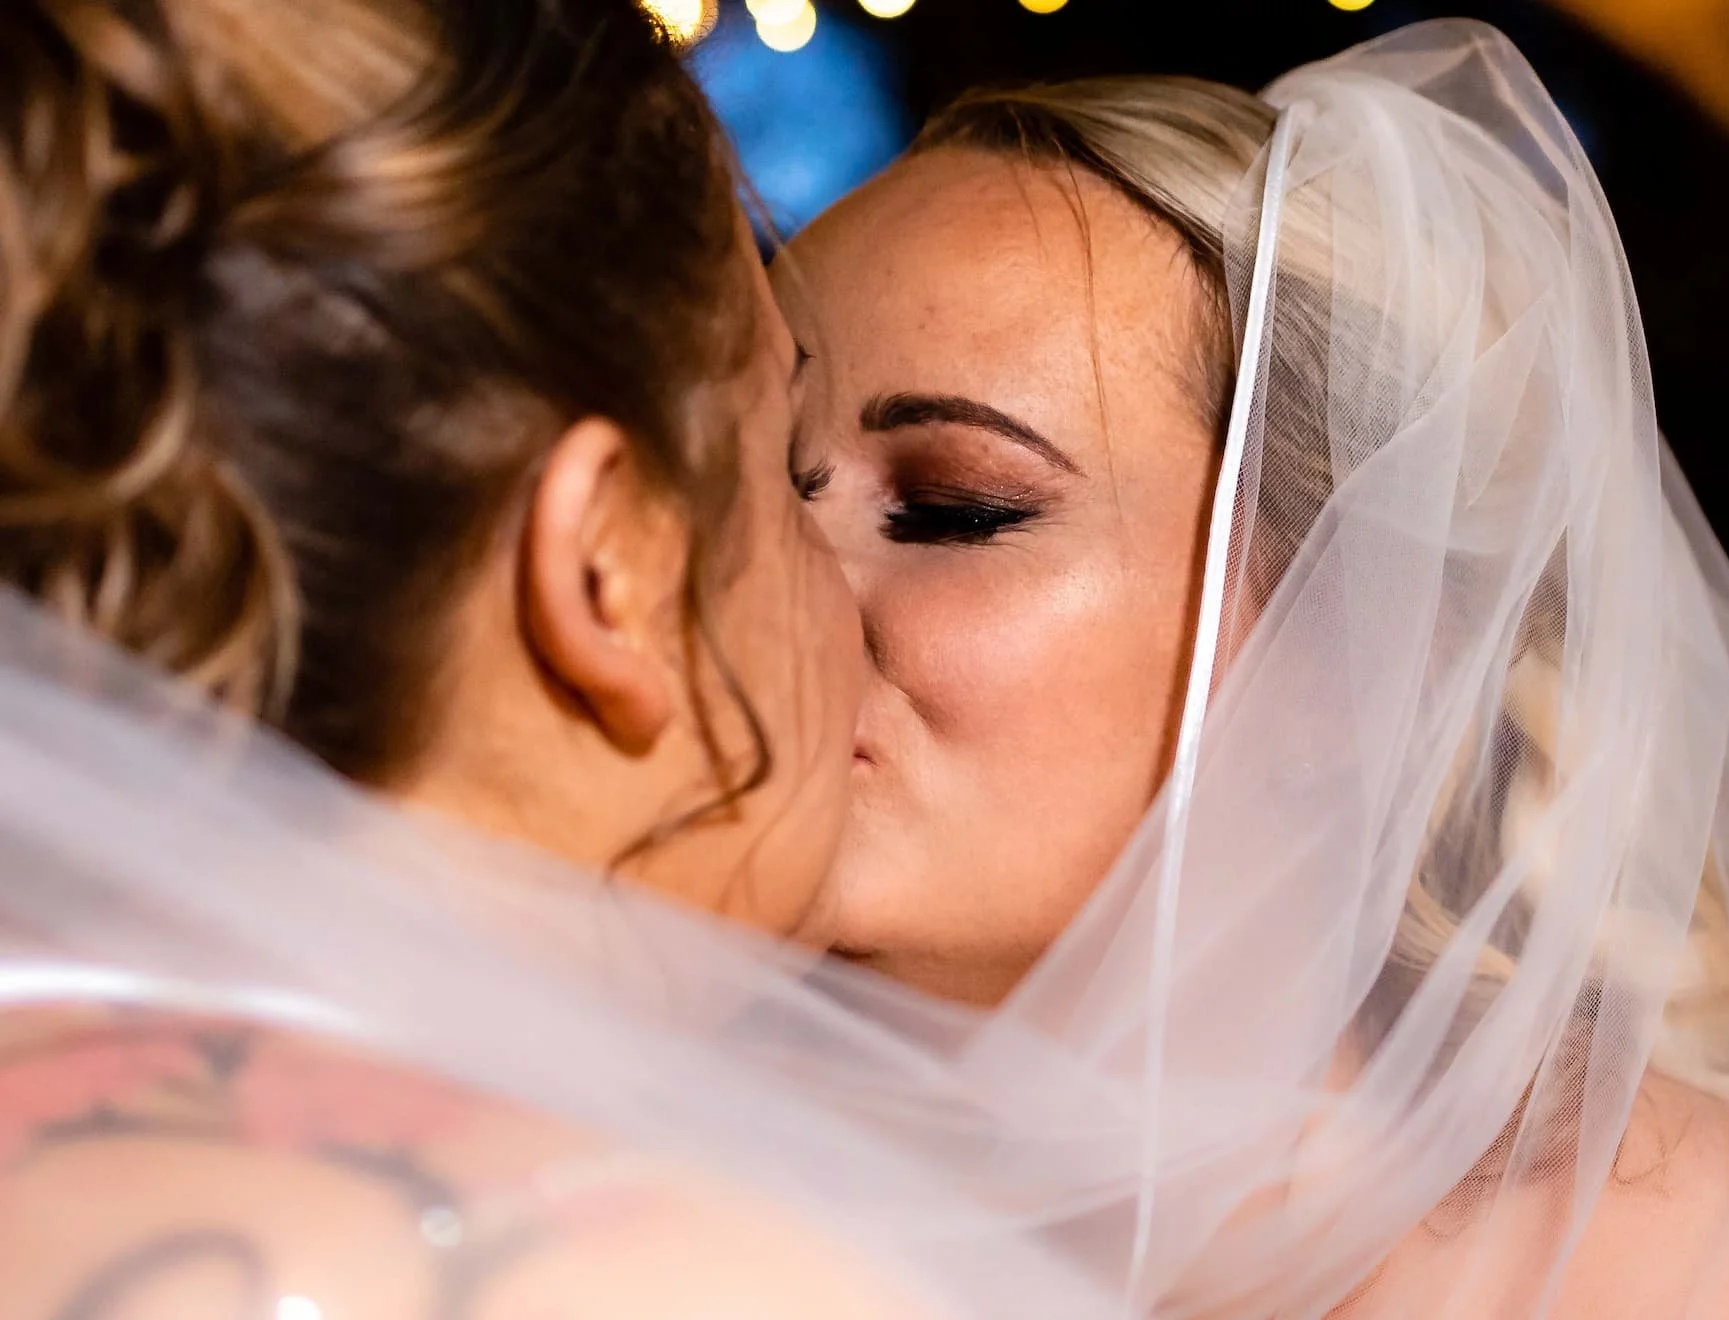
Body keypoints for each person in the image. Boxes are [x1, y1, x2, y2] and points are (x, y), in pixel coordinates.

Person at [782, 20, 1729, 1314]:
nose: (782, 588)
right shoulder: (663, 1186)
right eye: (755, 494)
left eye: (955, 510)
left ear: (1347, 649)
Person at [0, 1, 1116, 1315]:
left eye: (946, 512)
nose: (844, 600)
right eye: (776, 470)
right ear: (610, 567)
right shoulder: (662, 1270)